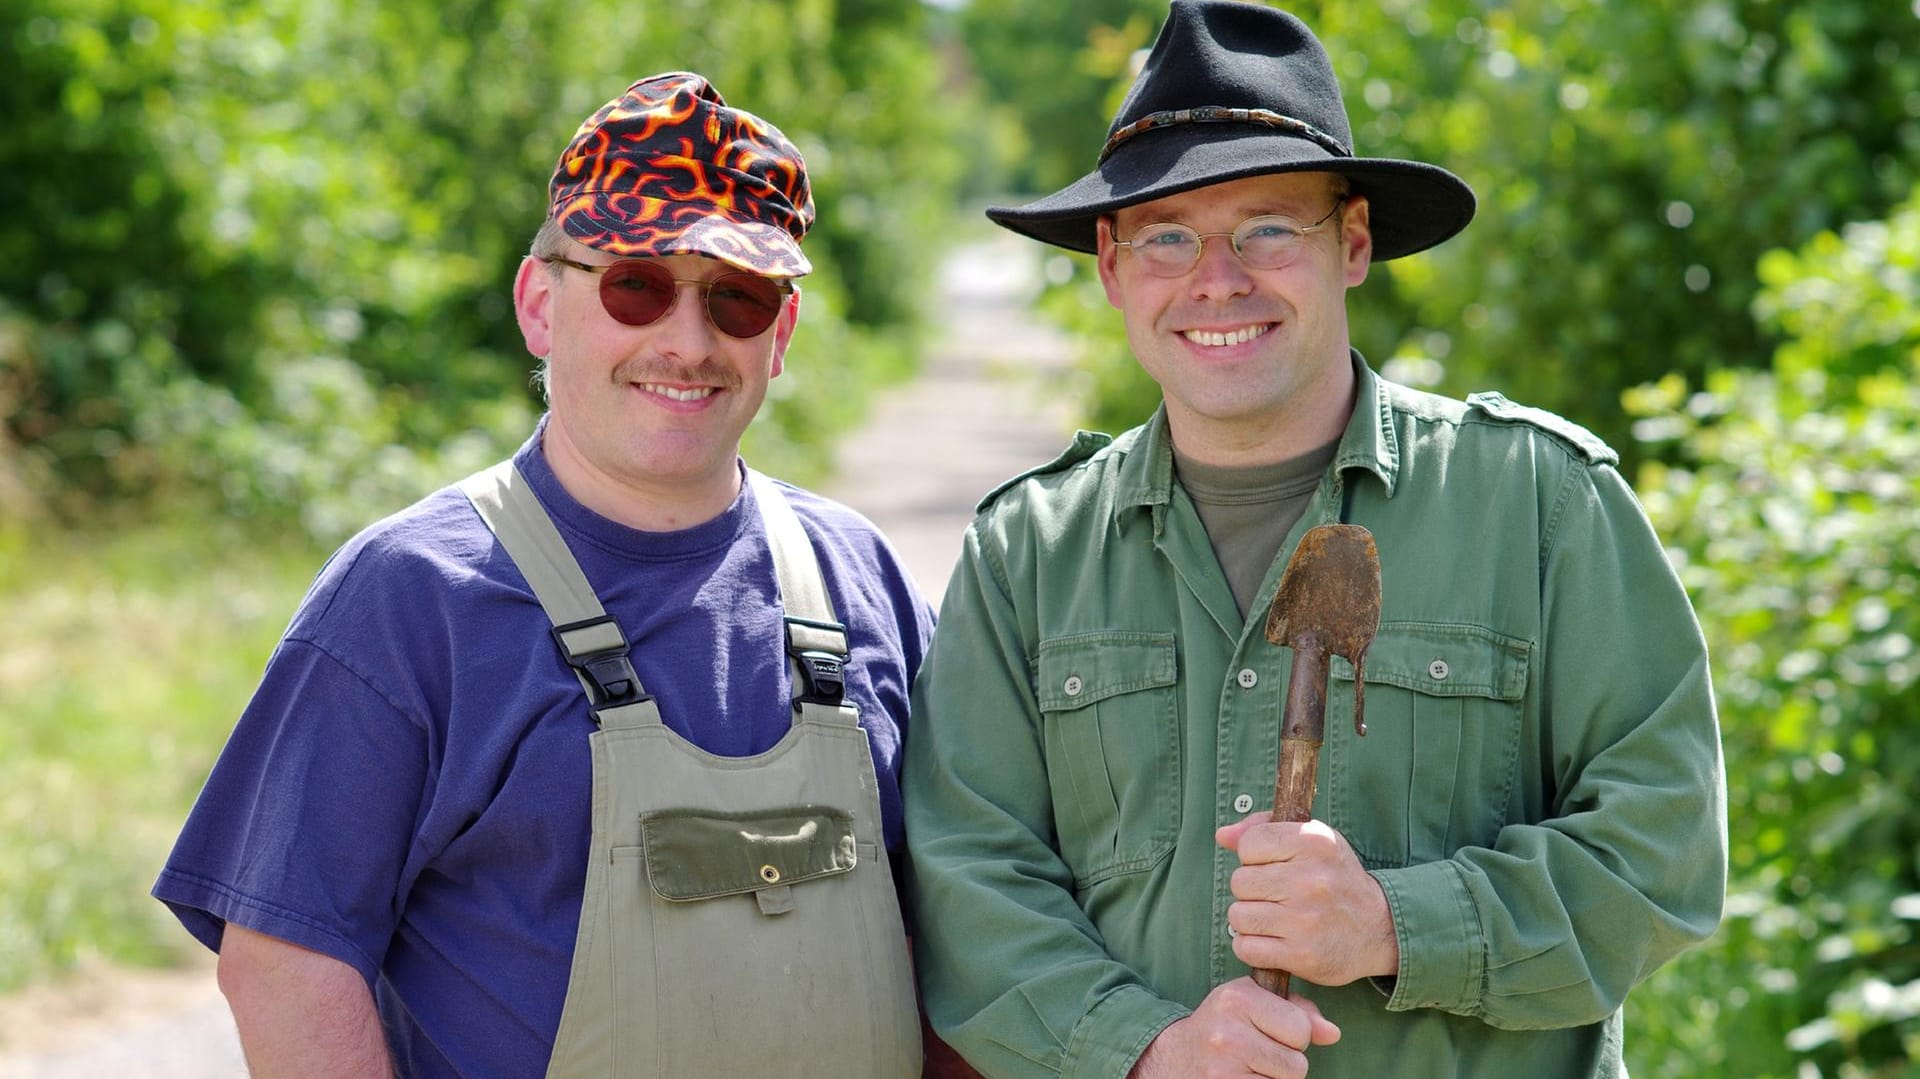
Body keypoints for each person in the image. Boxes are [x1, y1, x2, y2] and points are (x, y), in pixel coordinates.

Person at [902, 3, 1727, 1077]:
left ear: (1354, 242)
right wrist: (1147, 1047)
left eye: (1268, 228)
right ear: (1109, 265)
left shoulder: (1538, 505)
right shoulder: (1029, 554)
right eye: (1168, 236)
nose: (1218, 278)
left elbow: (1662, 851)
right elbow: (970, 881)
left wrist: (1394, 922)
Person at [155, 72, 934, 1078]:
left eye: (735, 299)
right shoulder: (410, 596)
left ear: (778, 335)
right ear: (538, 302)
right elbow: (286, 962)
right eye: (635, 285)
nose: (686, 342)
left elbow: (962, 919)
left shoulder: (858, 574)